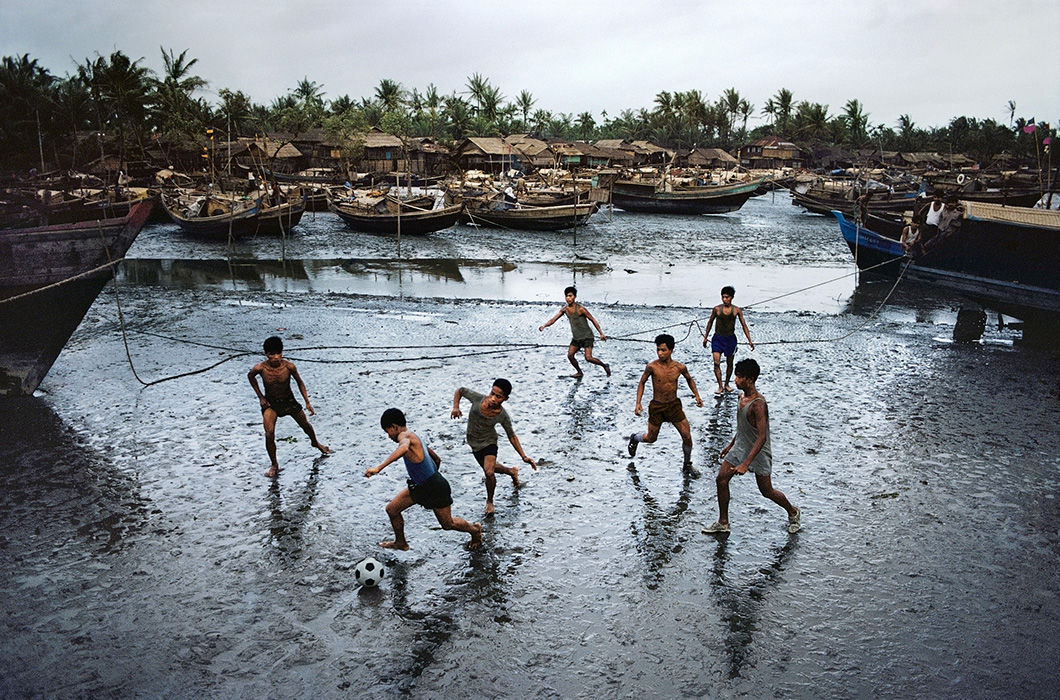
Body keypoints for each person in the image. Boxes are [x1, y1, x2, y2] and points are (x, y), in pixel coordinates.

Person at [702, 359, 801, 535]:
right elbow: (742, 427)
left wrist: (746, 464)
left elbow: (762, 437)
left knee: (766, 490)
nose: (735, 380)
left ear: (750, 379)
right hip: (741, 446)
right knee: (721, 479)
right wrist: (730, 445)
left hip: (759, 451)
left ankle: (793, 512)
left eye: (739, 377)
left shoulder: (758, 404)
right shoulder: (741, 397)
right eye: (736, 376)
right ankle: (723, 522)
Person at [364, 408, 482, 551]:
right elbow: (437, 459)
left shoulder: (404, 437)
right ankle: (401, 543)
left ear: (394, 427)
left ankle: (475, 530)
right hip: (421, 484)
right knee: (392, 509)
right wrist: (427, 475)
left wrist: (378, 468)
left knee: (447, 524)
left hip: (435, 487)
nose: (388, 436)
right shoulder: (416, 437)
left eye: (387, 431)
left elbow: (403, 449)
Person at [248, 336, 331, 478]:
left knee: (305, 425)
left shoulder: (288, 366)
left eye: (278, 354)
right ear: (266, 355)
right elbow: (250, 377)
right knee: (269, 433)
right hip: (271, 404)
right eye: (272, 355)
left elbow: (300, 382)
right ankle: (274, 464)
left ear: (282, 353)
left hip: (288, 401)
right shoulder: (260, 368)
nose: (276, 358)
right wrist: (260, 397)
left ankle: (316, 443)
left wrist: (307, 402)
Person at [451, 379, 537, 514]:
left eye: (498, 396)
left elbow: (512, 435)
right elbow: (460, 390)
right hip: (473, 442)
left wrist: (524, 456)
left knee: (489, 472)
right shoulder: (478, 399)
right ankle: (511, 471)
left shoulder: (502, 415)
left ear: (505, 399)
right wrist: (456, 407)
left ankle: (490, 501)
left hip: (489, 442)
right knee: (491, 468)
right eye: (492, 393)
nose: (493, 398)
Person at [628, 333, 704, 474]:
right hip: (657, 406)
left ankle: (687, 464)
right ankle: (635, 438)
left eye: (663, 350)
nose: (660, 353)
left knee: (687, 436)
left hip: (673, 406)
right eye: (658, 350)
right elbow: (642, 382)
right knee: (651, 438)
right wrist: (638, 402)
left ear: (671, 350)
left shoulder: (679, 367)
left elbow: (689, 379)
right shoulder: (652, 367)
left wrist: (697, 396)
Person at [538, 286, 610, 378]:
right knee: (570, 355)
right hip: (576, 338)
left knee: (588, 358)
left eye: (570, 296)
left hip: (587, 337)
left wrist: (601, 333)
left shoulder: (581, 309)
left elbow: (593, 320)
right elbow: (553, 319)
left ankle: (605, 366)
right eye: (567, 296)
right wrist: (544, 326)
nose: (568, 298)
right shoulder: (565, 309)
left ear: (575, 297)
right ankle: (579, 372)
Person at [701, 286, 755, 394]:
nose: (725, 299)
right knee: (716, 363)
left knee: (730, 363)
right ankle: (720, 386)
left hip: (730, 339)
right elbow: (710, 322)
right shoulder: (716, 309)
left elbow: (744, 325)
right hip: (718, 338)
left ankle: (726, 384)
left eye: (727, 297)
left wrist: (750, 340)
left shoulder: (736, 310)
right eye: (723, 297)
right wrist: (705, 337)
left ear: (732, 297)